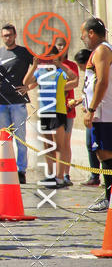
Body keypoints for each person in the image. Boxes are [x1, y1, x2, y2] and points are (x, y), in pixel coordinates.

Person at [23, 50, 77, 188]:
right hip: (44, 112)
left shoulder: (60, 71)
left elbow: (74, 79)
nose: (47, 59)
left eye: (50, 56)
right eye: (45, 56)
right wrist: (34, 66)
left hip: (58, 111)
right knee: (48, 146)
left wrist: (60, 63)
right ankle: (51, 175)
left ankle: (60, 177)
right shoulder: (40, 71)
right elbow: (26, 82)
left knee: (60, 146)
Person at [0, 24, 33, 184]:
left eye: (10, 35)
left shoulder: (23, 52)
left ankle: (21, 171)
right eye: (5, 35)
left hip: (18, 102)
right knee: (4, 138)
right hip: (1, 102)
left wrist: (29, 86)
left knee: (20, 138)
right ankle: (7, 168)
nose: (8, 38)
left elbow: (38, 67)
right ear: (2, 37)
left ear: (15, 35)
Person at [81, 17, 112, 212]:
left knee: (105, 154)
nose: (83, 39)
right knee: (103, 153)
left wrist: (91, 109)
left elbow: (102, 81)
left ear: (91, 33)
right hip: (102, 112)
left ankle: (109, 198)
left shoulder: (101, 50)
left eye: (84, 35)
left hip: (105, 113)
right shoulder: (101, 50)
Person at [73, 48, 100, 186]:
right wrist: (79, 101)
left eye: (80, 66)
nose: (81, 69)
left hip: (97, 116)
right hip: (90, 115)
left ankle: (101, 176)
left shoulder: (97, 74)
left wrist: (90, 108)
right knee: (90, 146)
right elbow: (87, 94)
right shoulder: (88, 75)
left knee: (99, 147)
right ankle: (95, 176)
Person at [55, 35, 79, 186]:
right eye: (58, 45)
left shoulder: (71, 65)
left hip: (68, 109)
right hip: (53, 109)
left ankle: (66, 174)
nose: (61, 48)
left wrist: (58, 88)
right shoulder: (49, 65)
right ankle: (57, 174)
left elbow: (75, 82)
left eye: (64, 45)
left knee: (66, 143)